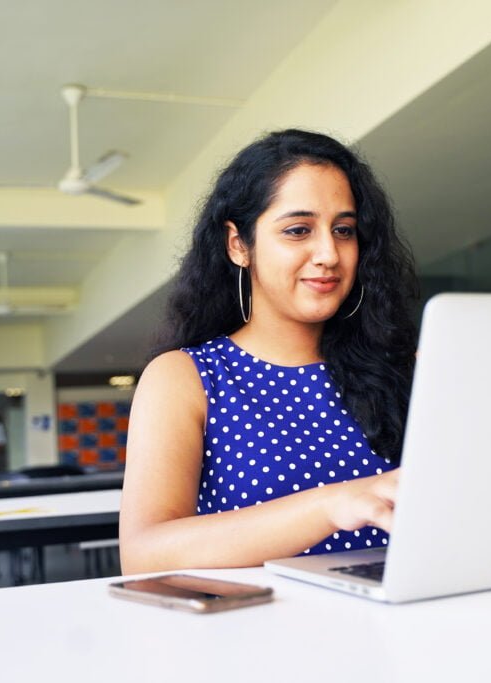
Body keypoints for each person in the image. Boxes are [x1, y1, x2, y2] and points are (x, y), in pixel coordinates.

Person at [119, 129, 419, 573]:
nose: (328, 254)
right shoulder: (187, 377)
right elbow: (144, 555)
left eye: (344, 230)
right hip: (259, 634)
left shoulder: (404, 367)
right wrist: (330, 506)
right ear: (239, 245)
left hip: (407, 623)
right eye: (298, 230)